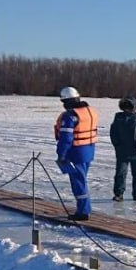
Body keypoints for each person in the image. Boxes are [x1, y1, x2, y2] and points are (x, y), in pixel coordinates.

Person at [54, 86, 98, 221]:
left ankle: (83, 212)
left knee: (78, 182)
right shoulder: (90, 111)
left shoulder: (70, 116)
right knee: (82, 179)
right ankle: (85, 208)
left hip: (75, 153)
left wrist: (61, 155)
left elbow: (66, 138)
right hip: (88, 150)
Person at [109, 95, 136, 202]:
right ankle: (118, 193)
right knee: (120, 174)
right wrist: (117, 145)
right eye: (125, 106)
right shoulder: (118, 117)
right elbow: (113, 132)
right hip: (122, 151)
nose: (127, 108)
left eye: (129, 106)